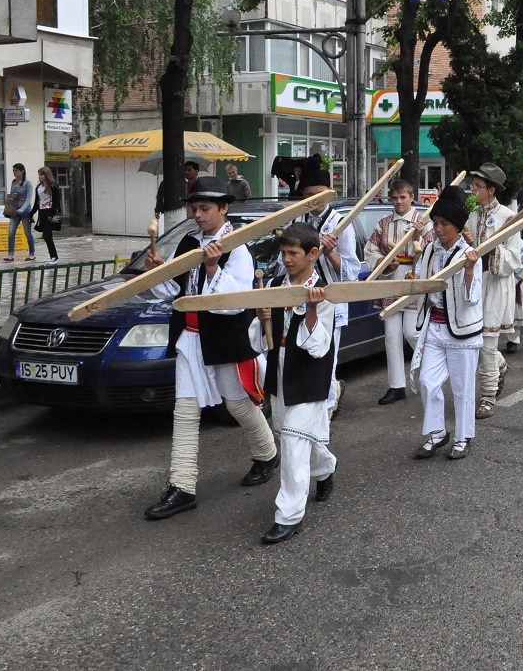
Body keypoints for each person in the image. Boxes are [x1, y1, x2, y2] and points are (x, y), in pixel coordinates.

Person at [143, 176, 278, 520]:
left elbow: (234, 303)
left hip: (224, 338)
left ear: (224, 208)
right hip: (190, 336)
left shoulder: (238, 246)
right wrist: (159, 273)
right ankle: (183, 487)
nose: (198, 215)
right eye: (194, 208)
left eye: (205, 209)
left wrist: (213, 266)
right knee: (185, 411)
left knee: (237, 404)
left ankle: (267, 452)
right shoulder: (190, 241)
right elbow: (177, 293)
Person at [256, 223, 337, 545]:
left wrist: (313, 308)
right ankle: (325, 469)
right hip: (280, 374)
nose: (287, 259)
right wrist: (261, 317)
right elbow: (261, 340)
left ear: (312, 253)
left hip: (309, 376)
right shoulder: (275, 285)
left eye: (293, 253)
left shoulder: (326, 291)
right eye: (284, 253)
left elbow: (319, 346)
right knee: (301, 438)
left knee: (291, 442)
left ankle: (288, 516)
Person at [407, 185, 483, 460]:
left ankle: (463, 437)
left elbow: (472, 298)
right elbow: (426, 285)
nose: (438, 229)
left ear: (458, 225)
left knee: (462, 389)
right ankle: (438, 433)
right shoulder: (429, 251)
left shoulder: (470, 254)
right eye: (436, 223)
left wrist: (470, 270)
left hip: (462, 331)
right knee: (427, 381)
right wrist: (415, 284)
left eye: (445, 224)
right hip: (435, 328)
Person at [295, 167, 363, 415]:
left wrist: (331, 252)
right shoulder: (297, 218)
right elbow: (286, 261)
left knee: (327, 355)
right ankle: (315, 400)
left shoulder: (339, 222)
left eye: (321, 195)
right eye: (309, 195)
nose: (315, 200)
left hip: (329, 298)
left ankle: (326, 409)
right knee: (304, 351)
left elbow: (352, 271)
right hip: (300, 296)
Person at [364, 178, 434, 404]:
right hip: (391, 279)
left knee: (411, 332)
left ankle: (430, 371)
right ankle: (396, 385)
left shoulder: (423, 222)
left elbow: (433, 251)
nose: (398, 202)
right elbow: (370, 250)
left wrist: (419, 240)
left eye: (403, 197)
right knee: (392, 334)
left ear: (412, 197)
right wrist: (384, 263)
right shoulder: (383, 223)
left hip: (415, 277)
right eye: (394, 198)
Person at [463, 163, 523, 418]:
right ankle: (500, 364)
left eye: (477, 186)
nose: (472, 189)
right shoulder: (471, 214)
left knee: (487, 343)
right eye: (472, 184)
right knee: (474, 342)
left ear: (490, 190)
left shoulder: (509, 218)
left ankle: (488, 396)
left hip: (495, 284)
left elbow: (514, 259)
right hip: (472, 282)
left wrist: (489, 249)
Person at [4, 163, 35, 263]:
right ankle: (10, 254)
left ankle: (31, 254)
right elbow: (12, 195)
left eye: (16, 171)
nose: (14, 173)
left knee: (27, 233)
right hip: (15, 212)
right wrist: (10, 207)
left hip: (25, 211)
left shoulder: (28, 183)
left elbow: (29, 198)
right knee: (11, 232)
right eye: (13, 171)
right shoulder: (13, 182)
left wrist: (22, 209)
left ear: (22, 171)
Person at [32, 166, 62, 264]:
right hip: (42, 213)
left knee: (47, 235)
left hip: (50, 212)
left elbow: (56, 200)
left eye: (41, 175)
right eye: (39, 175)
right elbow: (37, 202)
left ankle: (54, 256)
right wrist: (31, 213)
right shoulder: (38, 187)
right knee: (46, 235)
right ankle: (53, 256)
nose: (39, 177)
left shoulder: (53, 185)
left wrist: (52, 212)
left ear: (46, 175)